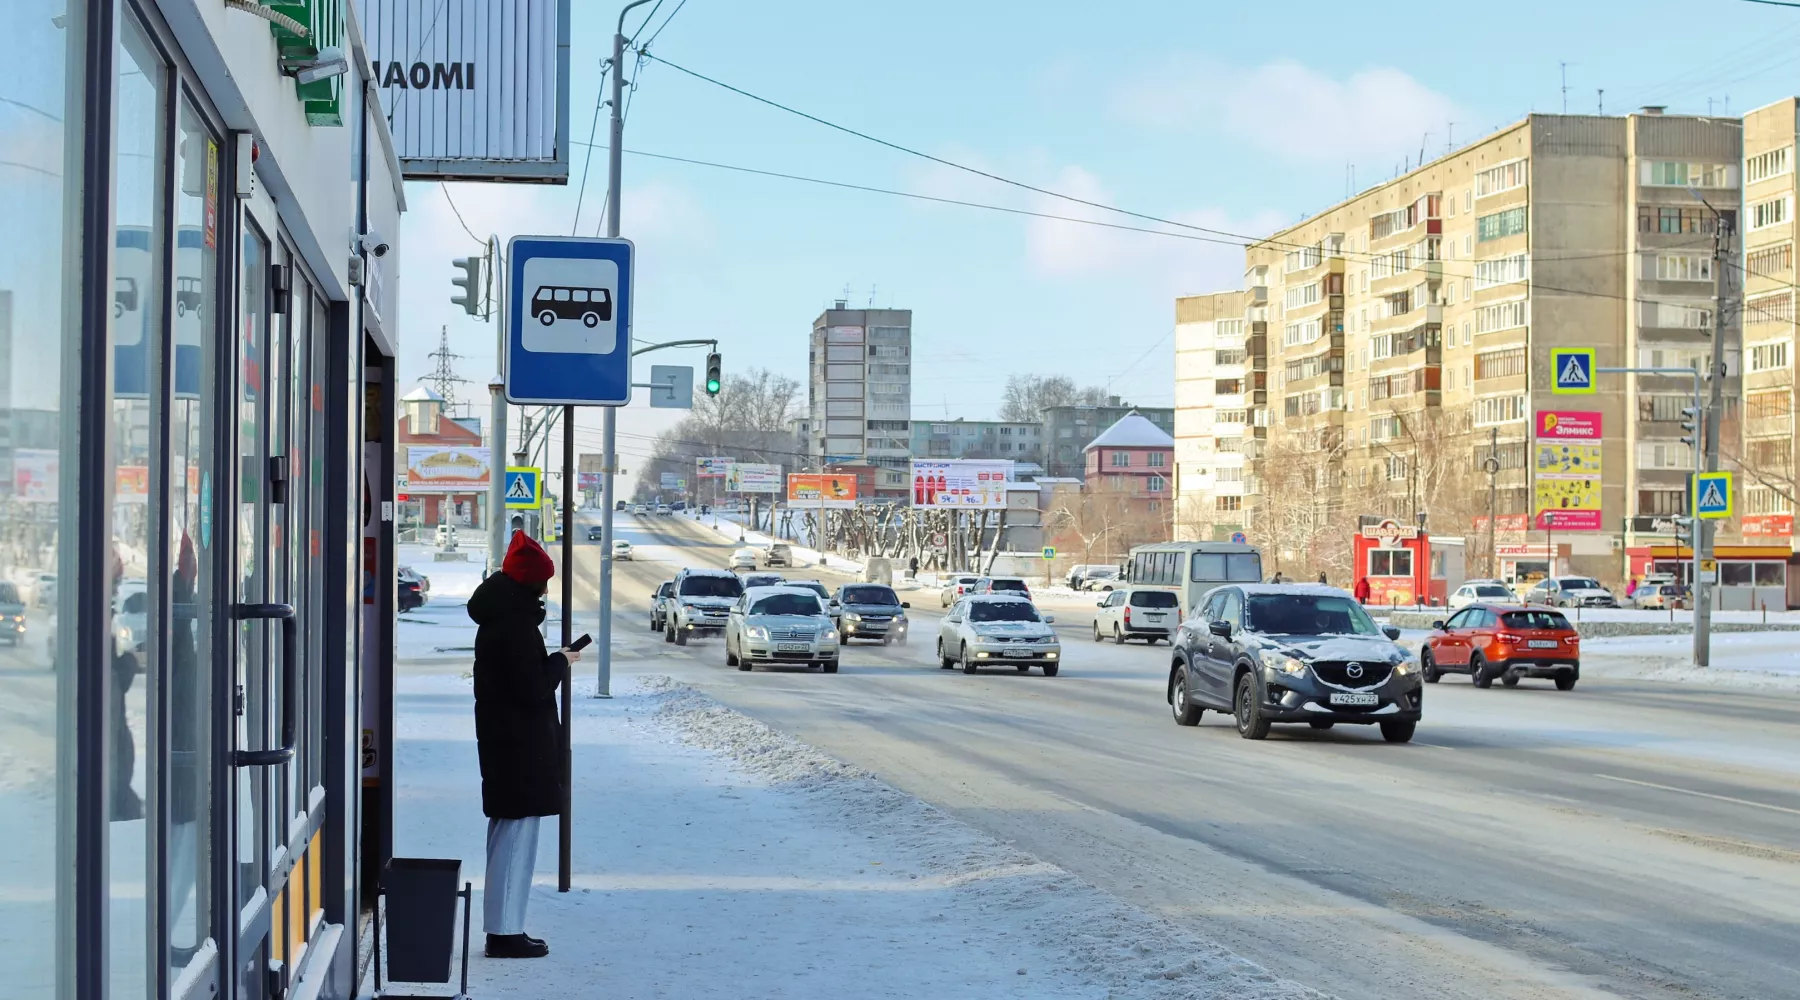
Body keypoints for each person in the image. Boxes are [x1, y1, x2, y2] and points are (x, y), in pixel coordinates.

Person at [468, 530, 581, 959]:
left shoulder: (503, 618)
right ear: (530, 583)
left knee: (507, 836)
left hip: (508, 744)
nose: (547, 590)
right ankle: (504, 932)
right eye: (543, 582)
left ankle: (505, 927)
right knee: (516, 840)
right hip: (517, 747)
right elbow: (530, 688)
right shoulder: (513, 626)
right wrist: (559, 661)